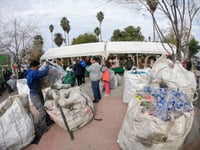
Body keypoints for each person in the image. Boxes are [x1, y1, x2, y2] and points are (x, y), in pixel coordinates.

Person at [26, 60, 53, 144]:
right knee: (42, 110)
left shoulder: (32, 72)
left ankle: (47, 121)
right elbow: (44, 73)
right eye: (37, 67)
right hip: (35, 95)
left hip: (38, 92)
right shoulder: (32, 73)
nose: (38, 68)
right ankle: (41, 126)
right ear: (34, 67)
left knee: (44, 106)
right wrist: (47, 66)